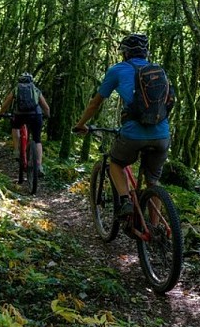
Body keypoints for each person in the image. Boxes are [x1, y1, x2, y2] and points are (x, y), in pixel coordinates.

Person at [73, 34, 171, 217]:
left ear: (125, 53)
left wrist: (81, 124)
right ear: (145, 53)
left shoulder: (117, 70)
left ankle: (125, 201)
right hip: (162, 134)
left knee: (116, 163)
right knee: (153, 181)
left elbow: (95, 103)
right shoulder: (159, 71)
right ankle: (155, 230)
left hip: (133, 134)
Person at [0, 72, 51, 176]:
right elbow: (46, 107)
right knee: (37, 140)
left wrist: (0, 112)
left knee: (15, 127)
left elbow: (7, 102)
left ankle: (17, 150)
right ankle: (39, 166)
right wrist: (47, 115)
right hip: (36, 115)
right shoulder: (35, 89)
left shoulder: (16, 89)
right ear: (31, 81)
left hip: (20, 115)